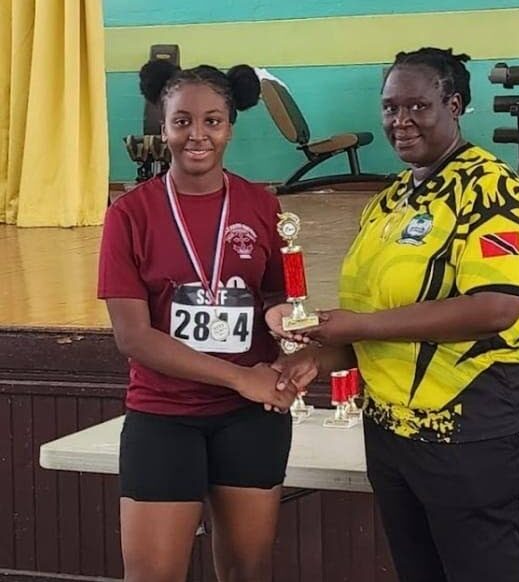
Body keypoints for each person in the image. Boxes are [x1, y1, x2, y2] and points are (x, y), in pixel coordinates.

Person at [267, 47, 519, 582]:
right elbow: (382, 317)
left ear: (455, 104)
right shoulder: (388, 200)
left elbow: (497, 307)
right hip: (393, 432)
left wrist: (353, 326)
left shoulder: (488, 186)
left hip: (474, 423)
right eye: (390, 107)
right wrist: (320, 357)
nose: (400, 121)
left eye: (417, 106)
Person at [98, 60, 297, 582]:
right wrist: (240, 376)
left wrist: (279, 315)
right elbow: (132, 336)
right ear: (161, 127)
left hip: (249, 418)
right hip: (164, 414)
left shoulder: (262, 206)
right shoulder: (130, 214)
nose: (197, 135)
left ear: (230, 126)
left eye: (212, 121)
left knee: (246, 574)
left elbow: (276, 292)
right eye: (181, 121)